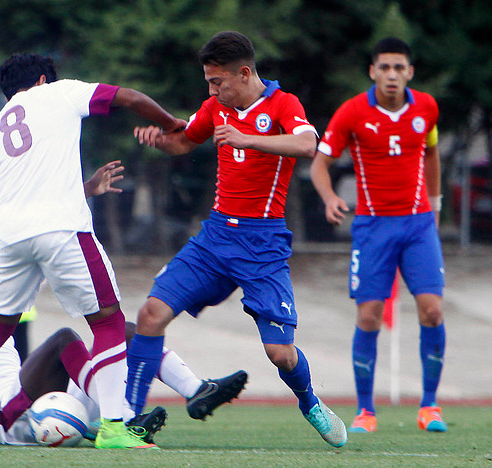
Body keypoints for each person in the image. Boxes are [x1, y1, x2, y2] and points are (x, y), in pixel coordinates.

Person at [0, 53, 187, 449]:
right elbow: (130, 97)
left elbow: (31, 184)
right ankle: (115, 428)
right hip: (62, 229)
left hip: (9, 236)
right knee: (107, 322)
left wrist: (83, 188)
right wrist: (171, 124)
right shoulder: (60, 93)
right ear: (44, 79)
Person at [126, 31, 347, 448]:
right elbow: (183, 140)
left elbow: (308, 142)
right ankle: (126, 421)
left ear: (244, 73)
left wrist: (248, 139)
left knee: (281, 353)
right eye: (209, 82)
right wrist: (160, 140)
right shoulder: (215, 107)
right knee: (151, 314)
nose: (211, 90)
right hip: (214, 239)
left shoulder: (283, 104)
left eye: (217, 82)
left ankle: (310, 402)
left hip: (262, 245)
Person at [0, 251, 248, 445]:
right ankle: (120, 419)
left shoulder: (0, 332)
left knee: (129, 332)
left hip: (33, 408)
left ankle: (195, 391)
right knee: (62, 340)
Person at [309, 37, 447, 433]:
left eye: (398, 67)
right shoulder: (352, 112)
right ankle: (365, 411)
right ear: (372, 71)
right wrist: (330, 196)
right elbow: (321, 163)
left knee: (432, 310)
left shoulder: (426, 108)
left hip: (419, 223)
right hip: (373, 227)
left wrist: (435, 206)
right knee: (369, 315)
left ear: (410, 72)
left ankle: (430, 406)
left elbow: (432, 152)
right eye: (384, 67)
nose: (391, 74)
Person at [0, 160, 125, 363]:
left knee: (13, 362)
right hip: (4, 312)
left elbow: (48, 207)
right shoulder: (0, 241)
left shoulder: (9, 230)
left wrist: (88, 189)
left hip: (19, 315)